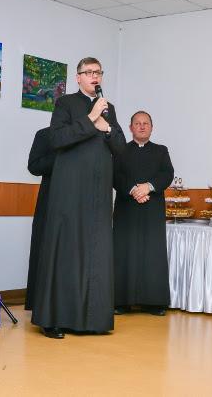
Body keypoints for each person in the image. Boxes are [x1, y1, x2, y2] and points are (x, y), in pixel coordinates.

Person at [31, 57, 126, 339]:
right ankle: (54, 319)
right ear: (78, 77)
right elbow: (58, 139)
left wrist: (107, 127)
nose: (95, 77)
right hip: (70, 191)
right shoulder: (65, 104)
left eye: (99, 72)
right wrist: (91, 118)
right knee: (66, 251)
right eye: (89, 72)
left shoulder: (109, 108)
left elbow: (121, 148)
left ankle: (92, 320)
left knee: (96, 252)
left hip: (98, 194)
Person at [112, 111, 174, 315]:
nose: (141, 126)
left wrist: (148, 187)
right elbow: (115, 175)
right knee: (124, 252)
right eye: (137, 123)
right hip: (126, 209)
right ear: (130, 128)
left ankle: (154, 302)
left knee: (152, 253)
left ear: (151, 127)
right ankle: (121, 301)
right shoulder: (120, 150)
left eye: (145, 123)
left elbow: (167, 174)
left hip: (152, 209)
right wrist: (133, 190)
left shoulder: (161, 151)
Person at [25, 127, 55, 311]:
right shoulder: (45, 135)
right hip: (50, 201)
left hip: (80, 203)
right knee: (45, 248)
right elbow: (34, 166)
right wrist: (62, 155)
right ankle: (41, 302)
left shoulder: (87, 135)